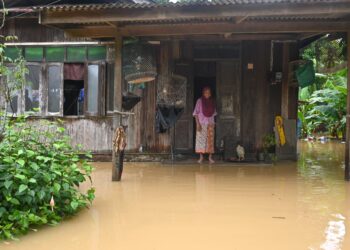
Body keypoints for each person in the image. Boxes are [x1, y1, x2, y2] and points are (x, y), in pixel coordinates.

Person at [193, 87, 217, 164]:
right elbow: (195, 113)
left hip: (210, 123)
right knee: (201, 140)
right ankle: (201, 157)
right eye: (206, 92)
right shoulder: (199, 101)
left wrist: (213, 123)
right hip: (201, 123)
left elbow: (214, 114)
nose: (207, 94)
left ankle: (210, 157)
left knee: (210, 141)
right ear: (203, 93)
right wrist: (197, 124)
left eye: (209, 92)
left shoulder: (212, 101)